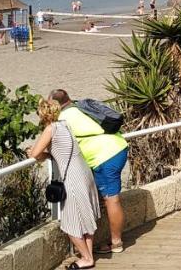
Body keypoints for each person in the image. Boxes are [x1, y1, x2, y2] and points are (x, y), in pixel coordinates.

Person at [52, 89, 129, 255]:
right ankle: (112, 239)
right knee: (109, 197)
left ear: (55, 106)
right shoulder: (80, 106)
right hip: (119, 146)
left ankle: (116, 243)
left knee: (111, 200)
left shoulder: (63, 119)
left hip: (104, 157)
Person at [28, 99, 100, 269]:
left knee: (70, 222)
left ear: (42, 114)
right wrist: (47, 154)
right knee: (86, 216)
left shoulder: (50, 129)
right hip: (84, 172)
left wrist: (31, 151)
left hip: (73, 178)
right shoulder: (64, 125)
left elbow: (34, 154)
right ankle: (88, 256)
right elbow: (60, 151)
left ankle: (86, 258)